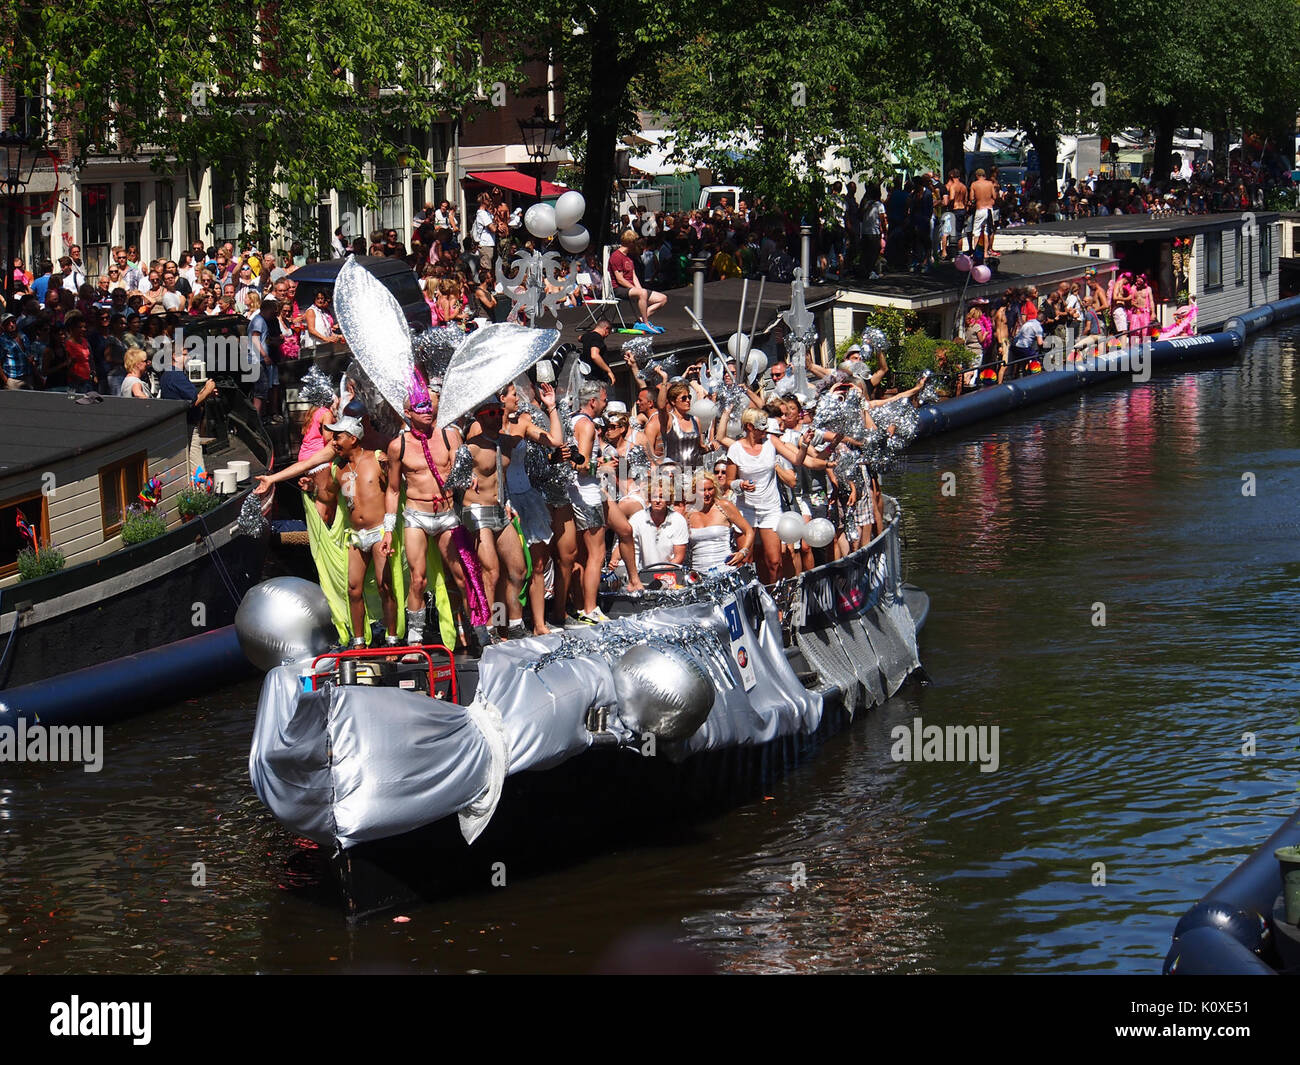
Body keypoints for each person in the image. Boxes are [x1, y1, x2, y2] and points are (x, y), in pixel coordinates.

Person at [259, 409, 397, 646]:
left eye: (337, 437)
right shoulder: (338, 467)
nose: (332, 441)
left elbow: (395, 491)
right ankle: (358, 641)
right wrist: (282, 481)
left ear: (353, 438)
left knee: (385, 587)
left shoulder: (377, 458)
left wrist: (390, 530)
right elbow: (321, 485)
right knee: (353, 589)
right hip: (355, 536)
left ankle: (393, 639)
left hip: (379, 532)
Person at [383, 378, 480, 648]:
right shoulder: (397, 446)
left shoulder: (450, 434)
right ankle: (415, 638)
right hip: (416, 514)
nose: (427, 410)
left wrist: (468, 476)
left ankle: (476, 628)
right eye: (420, 406)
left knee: (462, 575)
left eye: (429, 405)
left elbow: (463, 468)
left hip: (448, 512)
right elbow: (392, 490)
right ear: (409, 413)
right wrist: (388, 530)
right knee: (418, 578)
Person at [459, 396, 529, 640]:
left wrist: (551, 406)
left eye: (499, 411)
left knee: (518, 570)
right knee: (492, 571)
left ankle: (512, 624)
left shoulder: (509, 442)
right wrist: (462, 479)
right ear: (479, 418)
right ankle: (488, 628)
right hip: (476, 511)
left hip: (500, 510)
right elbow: (449, 480)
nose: (496, 416)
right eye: (490, 413)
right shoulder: (471, 447)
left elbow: (551, 441)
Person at [499, 380, 565, 636]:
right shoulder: (483, 427)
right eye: (514, 394)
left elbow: (556, 441)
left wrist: (551, 408)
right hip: (502, 501)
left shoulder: (523, 421)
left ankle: (538, 624)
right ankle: (502, 625)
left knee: (538, 564)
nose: (519, 398)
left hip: (527, 498)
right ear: (501, 397)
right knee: (503, 571)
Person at [159, 342, 217, 477]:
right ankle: (201, 494)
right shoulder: (176, 375)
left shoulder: (167, 374)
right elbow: (194, 401)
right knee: (197, 466)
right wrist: (208, 389)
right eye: (184, 355)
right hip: (187, 426)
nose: (188, 358)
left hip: (177, 425)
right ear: (174, 356)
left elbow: (191, 398)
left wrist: (205, 393)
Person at [687, 468, 753, 572]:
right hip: (698, 574)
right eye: (702, 490)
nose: (707, 493)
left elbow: (748, 530)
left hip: (725, 570)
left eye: (710, 489)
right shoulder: (688, 514)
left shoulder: (724, 506)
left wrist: (743, 552)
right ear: (694, 491)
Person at [629, 476, 690, 575]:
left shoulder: (678, 520)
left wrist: (661, 574)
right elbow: (630, 548)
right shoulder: (637, 519)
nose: (658, 500)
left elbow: (679, 557)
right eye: (654, 496)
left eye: (662, 497)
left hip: (670, 574)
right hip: (643, 574)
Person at [609, 230, 666, 334]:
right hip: (619, 289)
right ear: (630, 243)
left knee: (662, 298)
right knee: (642, 293)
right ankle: (645, 323)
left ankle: (640, 320)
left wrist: (639, 288)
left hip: (631, 288)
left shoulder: (629, 257)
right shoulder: (616, 256)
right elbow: (620, 279)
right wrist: (635, 289)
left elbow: (633, 275)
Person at [579, 318, 617, 386]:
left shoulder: (587, 336)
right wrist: (608, 371)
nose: (607, 335)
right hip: (596, 379)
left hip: (587, 375)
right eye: (609, 332)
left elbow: (579, 338)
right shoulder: (597, 338)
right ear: (606, 329)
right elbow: (594, 355)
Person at [970, 169, 998, 258]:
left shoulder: (974, 184)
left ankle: (976, 252)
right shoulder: (990, 184)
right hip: (989, 209)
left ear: (977, 175)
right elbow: (994, 196)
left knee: (976, 231)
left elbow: (971, 198)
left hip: (980, 209)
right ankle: (985, 252)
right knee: (987, 231)